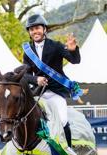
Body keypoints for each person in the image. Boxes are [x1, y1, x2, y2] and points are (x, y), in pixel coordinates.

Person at [22, 14, 81, 147]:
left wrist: (73, 50)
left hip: (56, 92)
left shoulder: (56, 46)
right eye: (31, 29)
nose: (34, 31)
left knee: (63, 120)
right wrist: (36, 79)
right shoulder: (27, 50)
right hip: (38, 93)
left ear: (44, 29)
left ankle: (68, 152)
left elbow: (75, 61)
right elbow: (25, 75)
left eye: (37, 28)